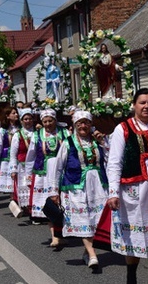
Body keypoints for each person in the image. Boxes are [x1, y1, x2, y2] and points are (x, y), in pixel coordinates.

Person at [106, 88, 148, 284]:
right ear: (134, 105)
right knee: (134, 237)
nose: (147, 106)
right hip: (134, 191)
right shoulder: (123, 128)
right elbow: (114, 162)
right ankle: (131, 274)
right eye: (142, 102)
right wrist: (113, 192)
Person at [52, 110, 108, 270]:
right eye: (80, 123)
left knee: (96, 221)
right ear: (75, 125)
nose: (83, 126)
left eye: (86, 123)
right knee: (84, 219)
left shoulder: (98, 141)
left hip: (98, 186)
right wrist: (54, 192)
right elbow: (58, 168)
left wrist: (103, 143)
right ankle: (92, 254)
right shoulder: (67, 143)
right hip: (76, 188)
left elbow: (111, 161)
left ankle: (87, 252)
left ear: (91, 124)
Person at [25, 108, 70, 235]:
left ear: (55, 120)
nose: (48, 124)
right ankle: (54, 235)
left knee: (62, 202)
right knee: (49, 203)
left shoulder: (65, 133)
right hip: (43, 174)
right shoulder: (37, 135)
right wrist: (28, 176)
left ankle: (63, 231)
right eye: (45, 121)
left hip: (61, 173)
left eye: (50, 121)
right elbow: (30, 157)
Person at [9, 108, 36, 215]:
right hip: (22, 167)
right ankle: (26, 209)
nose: (28, 121)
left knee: (33, 187)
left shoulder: (37, 133)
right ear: (21, 121)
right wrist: (13, 169)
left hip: (35, 166)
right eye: (25, 119)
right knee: (24, 187)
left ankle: (33, 208)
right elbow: (13, 154)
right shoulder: (17, 135)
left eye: (29, 119)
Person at [0, 107, 20, 194]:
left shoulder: (20, 128)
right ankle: (12, 200)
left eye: (16, 113)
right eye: (14, 113)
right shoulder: (2, 130)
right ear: (7, 116)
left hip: (18, 158)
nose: (16, 115)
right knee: (10, 185)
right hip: (6, 160)